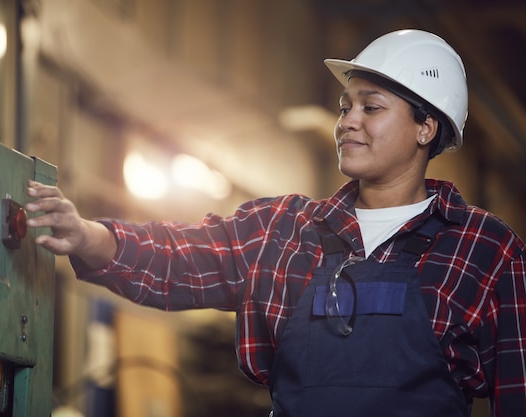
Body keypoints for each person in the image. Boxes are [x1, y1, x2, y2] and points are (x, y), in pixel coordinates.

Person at [26, 29, 526, 416]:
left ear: (426, 126)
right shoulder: (284, 230)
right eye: (345, 106)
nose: (348, 121)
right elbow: (179, 259)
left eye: (371, 107)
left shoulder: (485, 249)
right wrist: (87, 235)